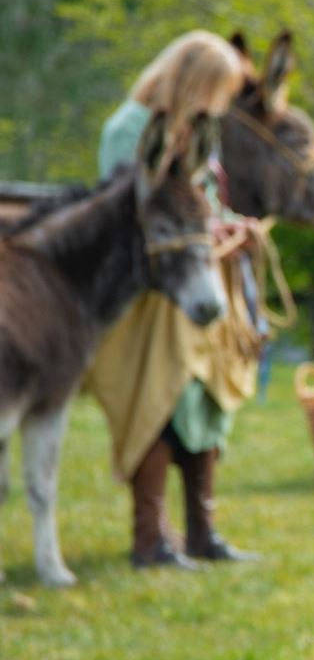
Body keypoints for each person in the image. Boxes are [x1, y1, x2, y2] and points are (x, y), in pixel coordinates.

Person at [87, 30, 262, 569]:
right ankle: (152, 539)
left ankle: (202, 533)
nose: (222, 104)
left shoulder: (195, 134)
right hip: (153, 299)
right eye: (218, 90)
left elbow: (198, 206)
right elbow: (128, 210)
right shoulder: (129, 130)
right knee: (159, 403)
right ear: (195, 81)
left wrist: (232, 229)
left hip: (201, 291)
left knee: (203, 404)